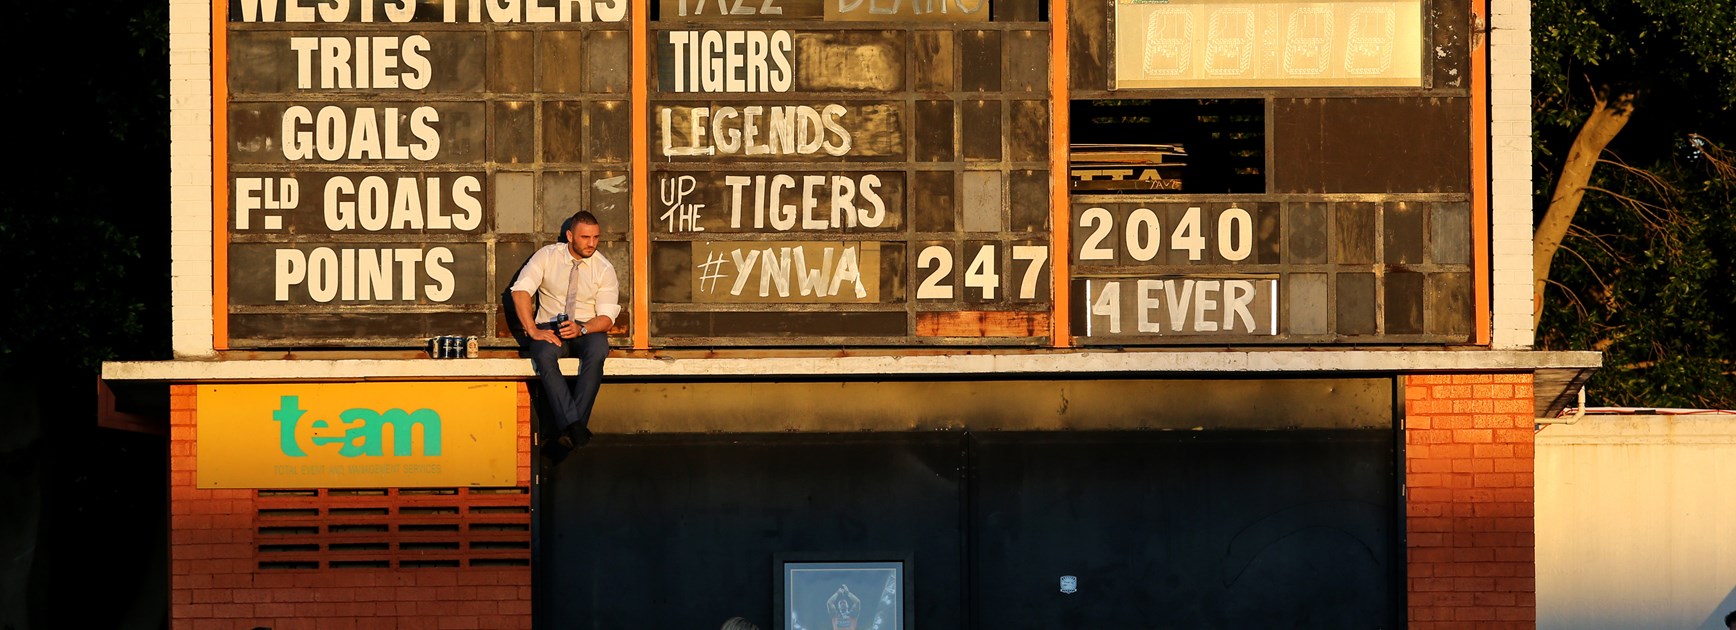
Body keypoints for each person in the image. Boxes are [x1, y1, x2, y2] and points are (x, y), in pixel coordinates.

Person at [510, 210, 619, 461]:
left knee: (598, 350)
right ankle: (575, 429)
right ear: (570, 236)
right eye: (585, 237)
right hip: (549, 327)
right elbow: (520, 292)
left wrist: (582, 328)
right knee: (544, 355)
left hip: (585, 328)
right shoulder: (547, 256)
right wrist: (533, 330)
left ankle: (570, 430)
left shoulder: (603, 268)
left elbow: (606, 318)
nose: (591, 243)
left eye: (596, 237)